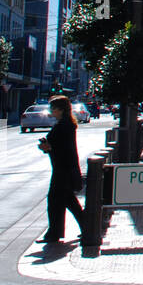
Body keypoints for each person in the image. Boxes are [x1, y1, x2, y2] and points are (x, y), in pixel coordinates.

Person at [37, 95, 84, 245]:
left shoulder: (63, 126)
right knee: (68, 201)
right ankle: (86, 228)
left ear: (60, 109)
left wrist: (48, 147)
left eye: (53, 108)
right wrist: (49, 148)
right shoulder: (66, 124)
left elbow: (62, 148)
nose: (51, 111)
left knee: (55, 201)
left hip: (62, 169)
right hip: (65, 168)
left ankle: (54, 233)